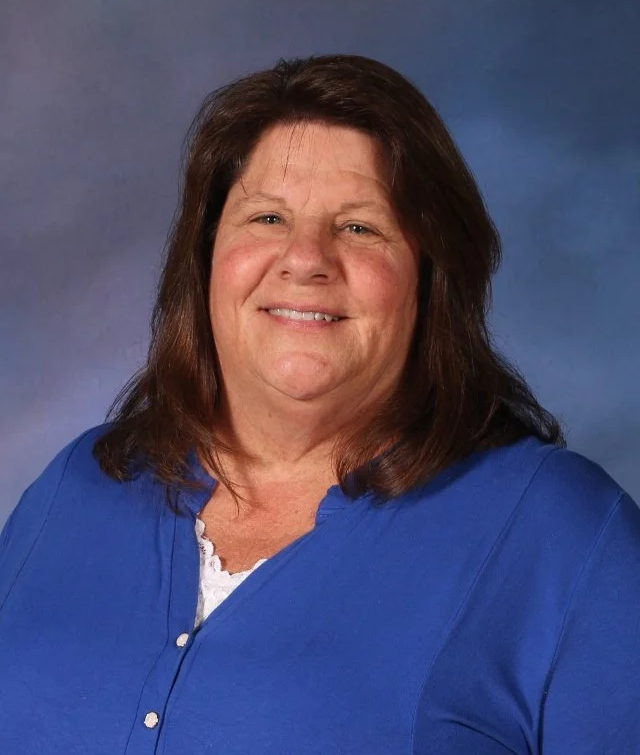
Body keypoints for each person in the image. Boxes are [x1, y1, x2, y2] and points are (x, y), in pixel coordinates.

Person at [0, 54, 639, 755]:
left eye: (360, 227)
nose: (306, 258)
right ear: (206, 257)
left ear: (431, 275)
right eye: (268, 217)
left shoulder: (568, 537)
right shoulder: (79, 484)